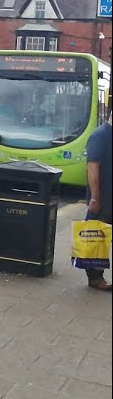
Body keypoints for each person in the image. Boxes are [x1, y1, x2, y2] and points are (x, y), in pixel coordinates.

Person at [82, 102, 112, 291]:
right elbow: (92, 167)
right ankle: (95, 279)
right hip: (103, 200)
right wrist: (95, 198)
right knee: (96, 239)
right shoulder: (101, 135)